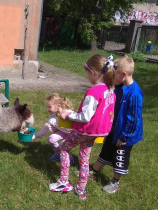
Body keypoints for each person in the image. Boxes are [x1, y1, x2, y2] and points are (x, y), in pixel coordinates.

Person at [48, 54, 116, 201]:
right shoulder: (110, 90)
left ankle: (64, 182)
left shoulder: (93, 92)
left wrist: (69, 114)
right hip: (97, 133)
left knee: (64, 149)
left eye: (86, 73)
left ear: (93, 72)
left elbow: (85, 117)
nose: (86, 76)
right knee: (84, 159)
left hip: (84, 130)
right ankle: (81, 189)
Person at [89, 55, 143, 194]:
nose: (113, 77)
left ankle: (115, 181)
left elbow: (134, 119)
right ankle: (94, 171)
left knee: (119, 156)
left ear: (123, 74)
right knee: (106, 150)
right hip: (114, 130)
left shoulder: (135, 94)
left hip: (125, 135)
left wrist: (124, 137)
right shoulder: (119, 87)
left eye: (115, 74)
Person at [32, 93, 74, 164]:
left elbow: (80, 122)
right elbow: (44, 130)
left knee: (62, 146)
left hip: (73, 135)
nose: (47, 109)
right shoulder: (52, 118)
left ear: (58, 106)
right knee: (51, 138)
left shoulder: (69, 114)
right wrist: (32, 137)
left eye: (49, 107)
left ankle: (69, 157)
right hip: (63, 133)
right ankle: (58, 152)